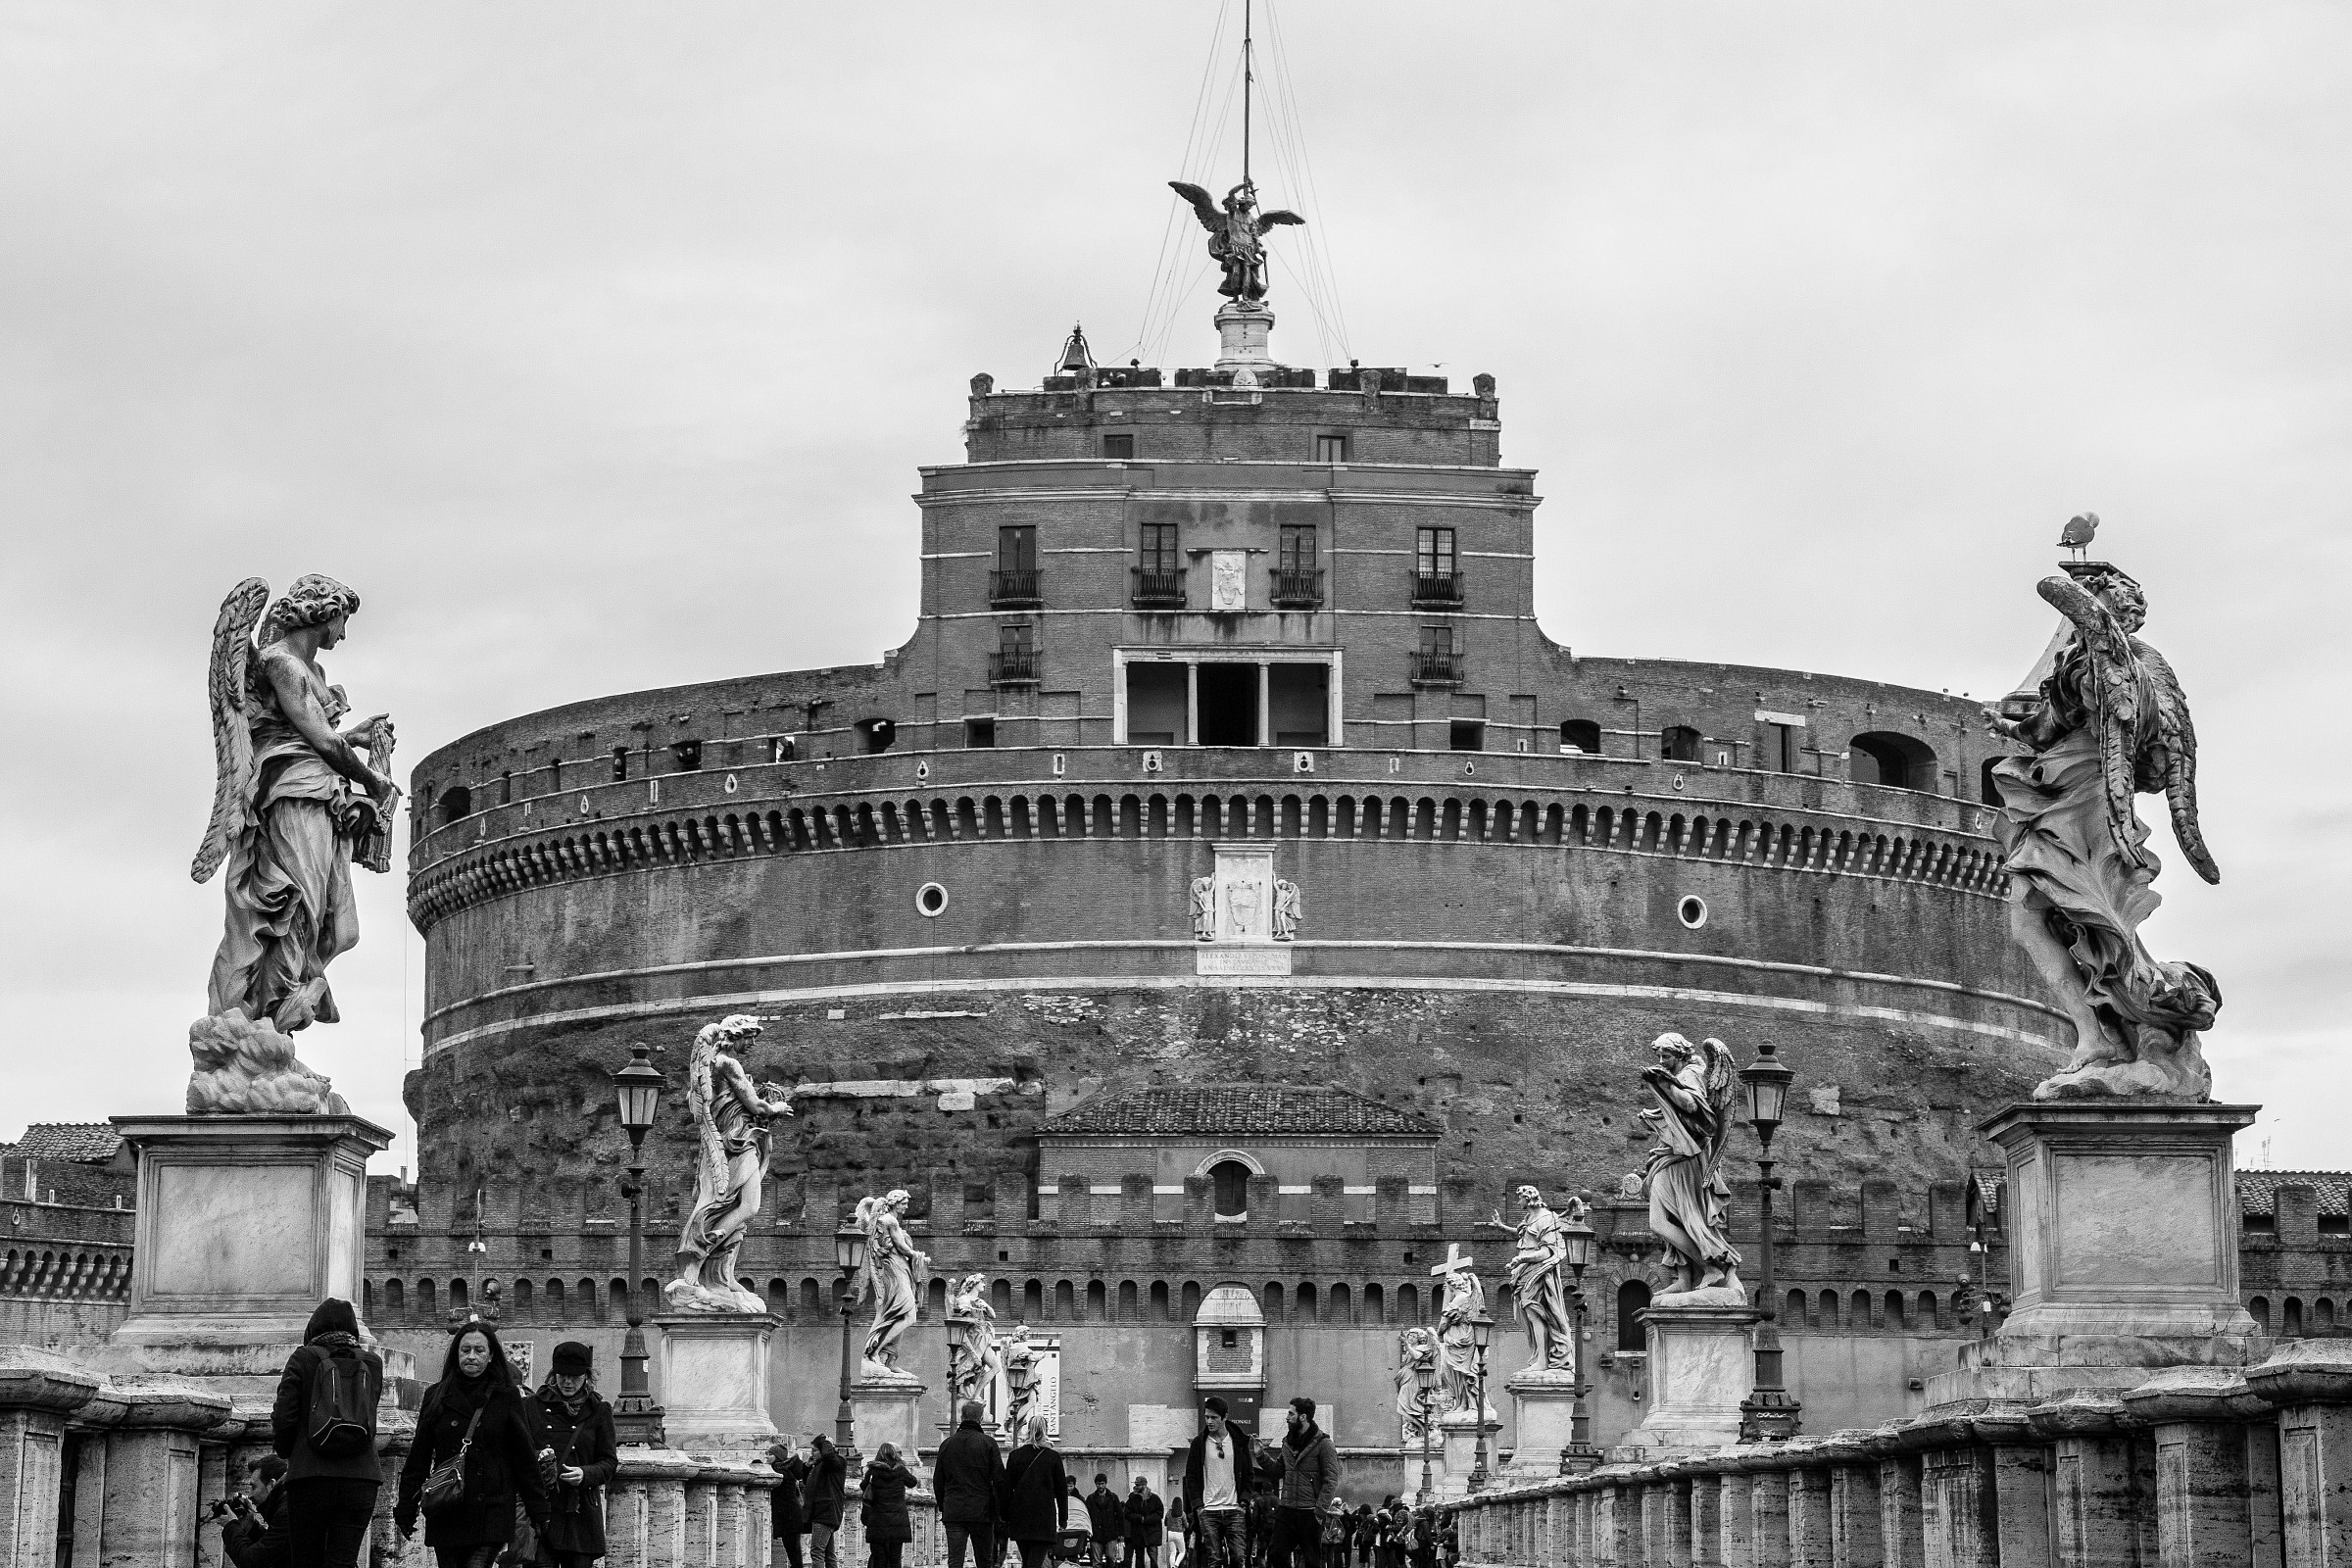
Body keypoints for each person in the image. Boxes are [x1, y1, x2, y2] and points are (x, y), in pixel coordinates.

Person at [394, 1319, 550, 1568]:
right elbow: (419, 1455)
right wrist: (406, 1507)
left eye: (479, 1351)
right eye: (465, 1350)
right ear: (456, 1354)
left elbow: (524, 1457)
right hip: (448, 1507)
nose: (471, 1356)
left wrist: (538, 1509)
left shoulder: (506, 1396)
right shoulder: (436, 1396)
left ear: (491, 1357)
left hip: (491, 1509)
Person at [270, 1297, 383, 1568]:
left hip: (311, 1476)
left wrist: (287, 1451)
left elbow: (284, 1416)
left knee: (307, 1561)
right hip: (362, 1477)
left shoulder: (303, 1358)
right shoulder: (373, 1363)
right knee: (342, 1562)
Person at [531, 1342, 617, 1568]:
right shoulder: (532, 1406)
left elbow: (609, 1462)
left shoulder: (599, 1410)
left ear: (586, 1376)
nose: (568, 1382)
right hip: (543, 1511)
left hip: (580, 1512)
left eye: (575, 1376)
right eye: (562, 1375)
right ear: (553, 1374)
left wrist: (585, 1473)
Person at [1250, 1398, 1341, 1568]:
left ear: (1303, 1417)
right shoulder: (1287, 1443)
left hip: (1309, 1512)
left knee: (1312, 1562)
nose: (1287, 1417)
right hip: (1287, 1510)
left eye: (1291, 1413)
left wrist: (1319, 1511)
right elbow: (1277, 1471)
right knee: (1275, 1554)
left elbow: (1331, 1480)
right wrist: (1261, 1455)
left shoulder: (1324, 1444)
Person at [1180, 1397, 1250, 1568]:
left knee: (1238, 1557)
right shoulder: (1199, 1443)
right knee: (1214, 1560)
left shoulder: (1238, 1441)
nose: (1209, 1421)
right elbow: (1191, 1476)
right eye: (1207, 1417)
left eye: (1214, 1417)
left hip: (1234, 1508)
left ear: (1224, 1417)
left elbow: (1249, 1473)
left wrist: (1244, 1502)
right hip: (1209, 1510)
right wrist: (1198, 1506)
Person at [935, 1399, 1004, 1568]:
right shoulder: (988, 1443)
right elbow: (1000, 1480)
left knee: (955, 1560)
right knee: (984, 1560)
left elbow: (938, 1480)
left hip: (954, 1510)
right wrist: (1000, 1509)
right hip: (982, 1511)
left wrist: (944, 1505)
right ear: (980, 1419)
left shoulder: (947, 1444)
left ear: (961, 1417)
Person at [1002, 1412, 1071, 1568]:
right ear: (1045, 1430)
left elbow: (1006, 1489)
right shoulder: (1053, 1457)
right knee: (1034, 1563)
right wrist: (1063, 1519)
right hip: (1043, 1518)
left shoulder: (1015, 1456)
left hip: (1020, 1517)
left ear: (1028, 1429)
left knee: (1028, 1562)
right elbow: (1061, 1491)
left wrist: (1005, 1515)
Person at [218, 1455, 291, 1568]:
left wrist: (231, 1526)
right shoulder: (287, 1504)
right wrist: (251, 1527)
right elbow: (275, 1551)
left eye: (253, 1487)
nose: (250, 1495)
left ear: (271, 1485)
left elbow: (251, 1562)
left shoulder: (286, 1513)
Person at [860, 1442, 917, 1568]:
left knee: (879, 1559)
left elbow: (863, 1487)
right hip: (898, 1521)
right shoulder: (900, 1470)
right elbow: (912, 1482)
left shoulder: (873, 1471)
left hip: (877, 1521)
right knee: (895, 1559)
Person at [806, 1433, 849, 1568]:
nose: (812, 1454)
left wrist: (826, 1443)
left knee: (817, 1551)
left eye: (815, 1450)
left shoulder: (836, 1462)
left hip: (825, 1513)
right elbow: (806, 1482)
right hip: (822, 1512)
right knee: (829, 1555)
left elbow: (830, 1457)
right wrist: (807, 1466)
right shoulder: (819, 1465)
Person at [767, 1437, 810, 1568]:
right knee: (794, 1552)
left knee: (794, 1554)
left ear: (777, 1457)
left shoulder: (781, 1472)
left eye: (770, 1454)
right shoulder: (785, 1471)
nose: (767, 1457)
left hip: (789, 1518)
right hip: (791, 1516)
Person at [1086, 1474, 1128, 1567]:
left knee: (1111, 1559)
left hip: (1111, 1533)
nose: (1100, 1486)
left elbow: (1120, 1516)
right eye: (1098, 1484)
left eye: (1102, 1483)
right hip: (1096, 1533)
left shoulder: (1113, 1497)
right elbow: (1087, 1516)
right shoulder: (1090, 1498)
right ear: (1095, 1484)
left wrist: (1121, 1533)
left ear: (1106, 1484)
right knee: (1096, 1562)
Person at [1127, 1476, 1165, 1568]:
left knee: (1153, 1557)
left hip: (1152, 1533)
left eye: (1138, 1485)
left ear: (1144, 1485)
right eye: (1135, 1484)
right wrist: (1141, 1518)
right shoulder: (1132, 1498)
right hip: (1138, 1533)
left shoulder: (1155, 1498)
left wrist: (1145, 1519)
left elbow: (1160, 1514)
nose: (1136, 1486)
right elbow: (1127, 1514)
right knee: (1139, 1558)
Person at [1319, 1500, 1348, 1568]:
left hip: (1323, 1538)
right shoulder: (1337, 1516)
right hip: (1333, 1539)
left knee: (1323, 1558)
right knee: (1330, 1558)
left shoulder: (1322, 1513)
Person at [1164, 1496, 1189, 1568]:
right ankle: (1176, 1564)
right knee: (1182, 1552)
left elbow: (1165, 1523)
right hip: (1179, 1533)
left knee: (1172, 1553)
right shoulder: (1182, 1513)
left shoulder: (1169, 1513)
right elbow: (1186, 1525)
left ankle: (1172, 1566)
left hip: (1170, 1533)